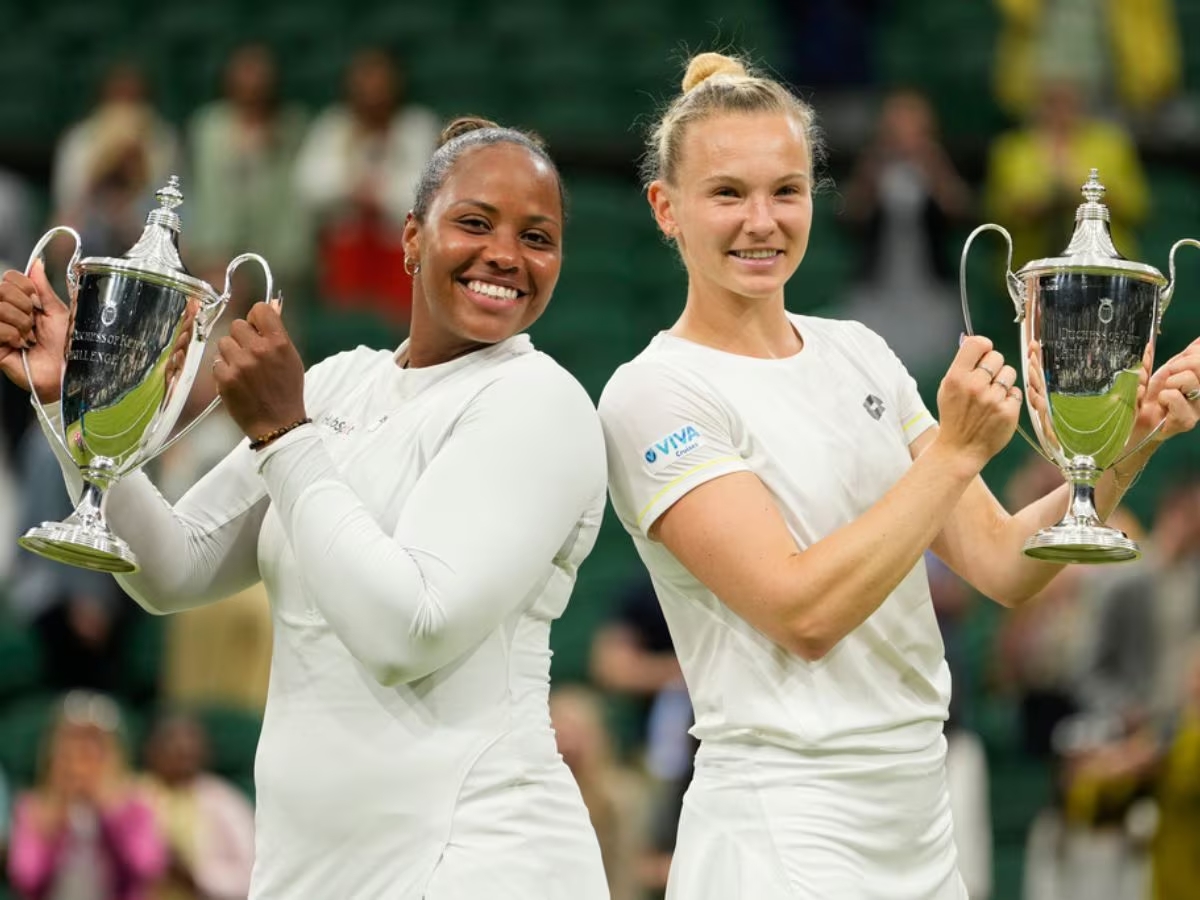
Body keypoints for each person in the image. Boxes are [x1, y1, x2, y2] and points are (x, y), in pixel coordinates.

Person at [597, 51, 1200, 899]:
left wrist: (1132, 441)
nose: (761, 221)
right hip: (782, 829)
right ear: (666, 208)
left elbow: (999, 564)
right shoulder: (653, 393)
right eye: (727, 193)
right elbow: (802, 612)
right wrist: (955, 454)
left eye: (786, 191)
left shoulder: (858, 353)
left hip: (920, 820)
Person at [0, 117, 610, 898]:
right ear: (413, 238)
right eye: (474, 222)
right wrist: (76, 406)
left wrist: (287, 437)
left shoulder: (540, 402)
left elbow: (408, 631)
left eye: (538, 237)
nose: (506, 255)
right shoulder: (338, 384)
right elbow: (171, 570)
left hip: (477, 863)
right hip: (309, 871)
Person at [7, 691, 167, 899]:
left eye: (92, 745)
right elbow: (26, 879)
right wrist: (56, 820)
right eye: (72, 744)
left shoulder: (137, 803)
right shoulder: (34, 806)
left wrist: (109, 811)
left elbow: (146, 868)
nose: (81, 756)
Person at [139, 713, 256, 900]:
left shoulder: (225, 802)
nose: (183, 748)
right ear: (151, 749)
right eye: (172, 742)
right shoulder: (133, 796)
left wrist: (194, 877)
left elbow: (252, 875)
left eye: (189, 743)